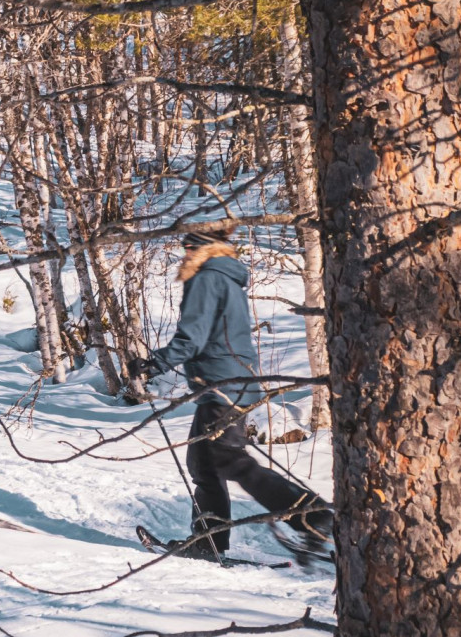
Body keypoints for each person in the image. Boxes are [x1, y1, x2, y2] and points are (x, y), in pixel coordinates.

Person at [134, 229, 332, 560]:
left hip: (223, 386)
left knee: (231, 462)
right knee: (204, 465)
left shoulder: (208, 278)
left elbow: (192, 336)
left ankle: (313, 516)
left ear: (201, 249)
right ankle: (209, 541)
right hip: (226, 384)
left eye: (188, 248)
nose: (184, 254)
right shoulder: (227, 278)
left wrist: (154, 363)